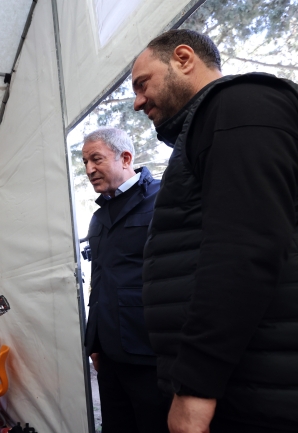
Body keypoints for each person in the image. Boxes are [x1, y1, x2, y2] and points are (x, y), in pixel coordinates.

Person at [132, 29, 298, 433]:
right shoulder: (209, 126)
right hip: (245, 382)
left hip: (260, 393)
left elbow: (242, 249)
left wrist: (195, 388)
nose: (137, 103)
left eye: (142, 84)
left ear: (184, 58)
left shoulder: (239, 106)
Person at [81, 128, 166, 433]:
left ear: (126, 158)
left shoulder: (162, 199)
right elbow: (99, 284)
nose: (89, 169)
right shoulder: (98, 217)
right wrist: (95, 341)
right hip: (109, 353)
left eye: (96, 159)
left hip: (149, 352)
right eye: (85, 162)